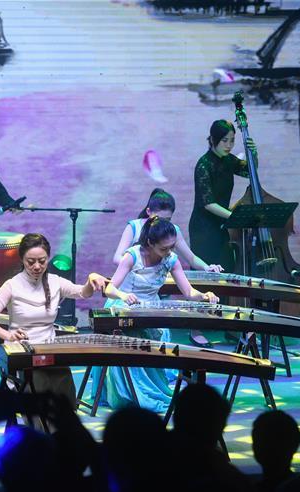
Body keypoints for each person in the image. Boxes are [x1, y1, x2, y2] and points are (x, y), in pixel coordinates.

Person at [99, 217, 218, 413]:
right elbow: (110, 288)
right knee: (131, 341)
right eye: (164, 248)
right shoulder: (133, 256)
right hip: (124, 306)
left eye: (171, 247)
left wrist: (204, 295)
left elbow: (189, 292)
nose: (169, 252)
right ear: (150, 243)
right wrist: (123, 295)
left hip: (151, 308)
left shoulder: (171, 259)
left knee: (155, 342)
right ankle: (131, 395)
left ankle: (150, 391)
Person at [0, 233, 108, 405]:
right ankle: (37, 420)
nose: (37, 266)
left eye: (42, 261)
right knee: (37, 389)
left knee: (65, 388)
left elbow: (83, 293)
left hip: (50, 354)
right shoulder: (11, 286)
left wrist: (92, 279)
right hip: (22, 355)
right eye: (31, 262)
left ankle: (62, 421)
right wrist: (8, 335)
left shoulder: (55, 282)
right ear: (22, 259)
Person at [112, 187, 222, 347]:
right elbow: (117, 259)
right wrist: (136, 265)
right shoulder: (134, 236)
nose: (164, 223)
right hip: (128, 296)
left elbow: (190, 260)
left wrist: (206, 271)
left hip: (151, 299)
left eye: (168, 219)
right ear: (149, 212)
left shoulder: (170, 239)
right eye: (160, 218)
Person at [189, 119, 257, 275]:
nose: (229, 145)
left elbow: (250, 172)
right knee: (207, 273)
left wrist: (253, 153)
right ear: (213, 140)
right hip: (204, 228)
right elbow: (208, 203)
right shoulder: (204, 165)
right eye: (224, 140)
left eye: (232, 141)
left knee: (227, 269)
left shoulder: (229, 160)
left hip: (222, 225)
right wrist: (235, 217)